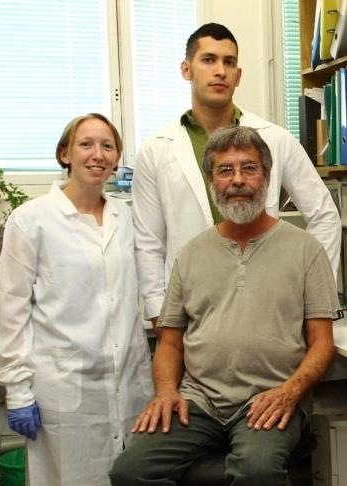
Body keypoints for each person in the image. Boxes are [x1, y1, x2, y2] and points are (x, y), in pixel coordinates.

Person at [110, 126, 340, 486]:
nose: (237, 180)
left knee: (256, 472)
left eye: (248, 168)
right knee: (130, 471)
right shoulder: (191, 254)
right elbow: (170, 342)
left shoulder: (305, 250)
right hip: (198, 403)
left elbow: (322, 342)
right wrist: (167, 392)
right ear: (211, 180)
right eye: (225, 170)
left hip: (268, 400)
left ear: (266, 175)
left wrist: (290, 392)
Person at [132, 23, 341, 334]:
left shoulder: (275, 139)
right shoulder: (156, 150)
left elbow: (324, 215)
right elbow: (148, 241)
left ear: (239, 75)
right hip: (192, 310)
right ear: (186, 70)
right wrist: (158, 314)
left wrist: (314, 296)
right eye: (209, 60)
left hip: (268, 305)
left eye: (229, 62)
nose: (220, 71)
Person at [0, 113, 153, 486]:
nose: (98, 155)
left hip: (129, 385)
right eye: (86, 144)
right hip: (63, 389)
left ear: (117, 158)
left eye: (108, 146)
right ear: (65, 154)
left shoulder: (125, 217)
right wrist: (16, 389)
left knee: (130, 475)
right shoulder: (31, 220)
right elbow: (9, 311)